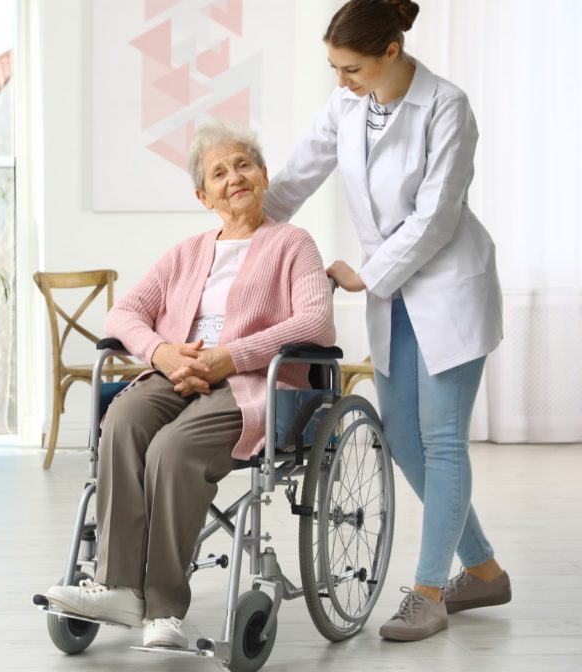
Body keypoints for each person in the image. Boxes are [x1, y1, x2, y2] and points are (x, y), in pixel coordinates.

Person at [262, 0, 509, 642]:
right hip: (394, 295)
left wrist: (367, 274)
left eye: (352, 68)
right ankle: (482, 569)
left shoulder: (447, 106)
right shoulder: (348, 105)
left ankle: (428, 593)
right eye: (335, 68)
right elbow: (294, 178)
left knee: (443, 438)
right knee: (403, 439)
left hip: (449, 287)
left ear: (391, 52)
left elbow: (436, 216)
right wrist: (245, 226)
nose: (341, 80)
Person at [45, 121, 335, 649]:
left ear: (265, 176)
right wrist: (162, 351)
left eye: (243, 164)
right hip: (177, 371)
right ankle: (118, 586)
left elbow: (314, 322)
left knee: (173, 449)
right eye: (218, 173)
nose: (234, 177)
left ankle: (163, 609)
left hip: (251, 381)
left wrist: (232, 355)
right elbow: (124, 313)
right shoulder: (186, 252)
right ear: (204, 196)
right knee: (125, 420)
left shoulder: (294, 244)